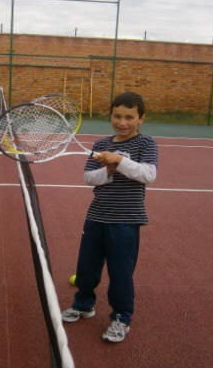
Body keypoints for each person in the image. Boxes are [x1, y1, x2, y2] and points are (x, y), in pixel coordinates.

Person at [62, 91, 158, 343]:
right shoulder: (100, 144)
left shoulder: (146, 144)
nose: (122, 122)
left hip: (126, 220)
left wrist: (121, 160)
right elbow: (88, 179)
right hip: (96, 217)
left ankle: (121, 318)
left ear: (141, 119)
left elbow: (148, 174)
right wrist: (110, 169)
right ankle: (83, 305)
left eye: (129, 117)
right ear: (111, 116)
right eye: (117, 116)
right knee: (86, 267)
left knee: (121, 272)